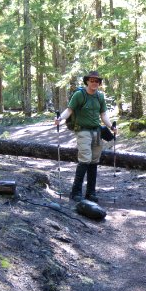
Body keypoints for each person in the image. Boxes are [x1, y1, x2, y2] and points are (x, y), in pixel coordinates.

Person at [55, 70, 117, 203]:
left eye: (97, 81)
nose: (94, 83)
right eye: (92, 80)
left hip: (97, 131)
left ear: (99, 83)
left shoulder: (100, 96)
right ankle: (76, 192)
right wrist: (60, 118)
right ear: (87, 81)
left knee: (94, 161)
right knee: (85, 158)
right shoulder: (79, 95)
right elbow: (70, 110)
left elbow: (104, 115)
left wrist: (112, 127)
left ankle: (91, 192)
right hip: (82, 131)